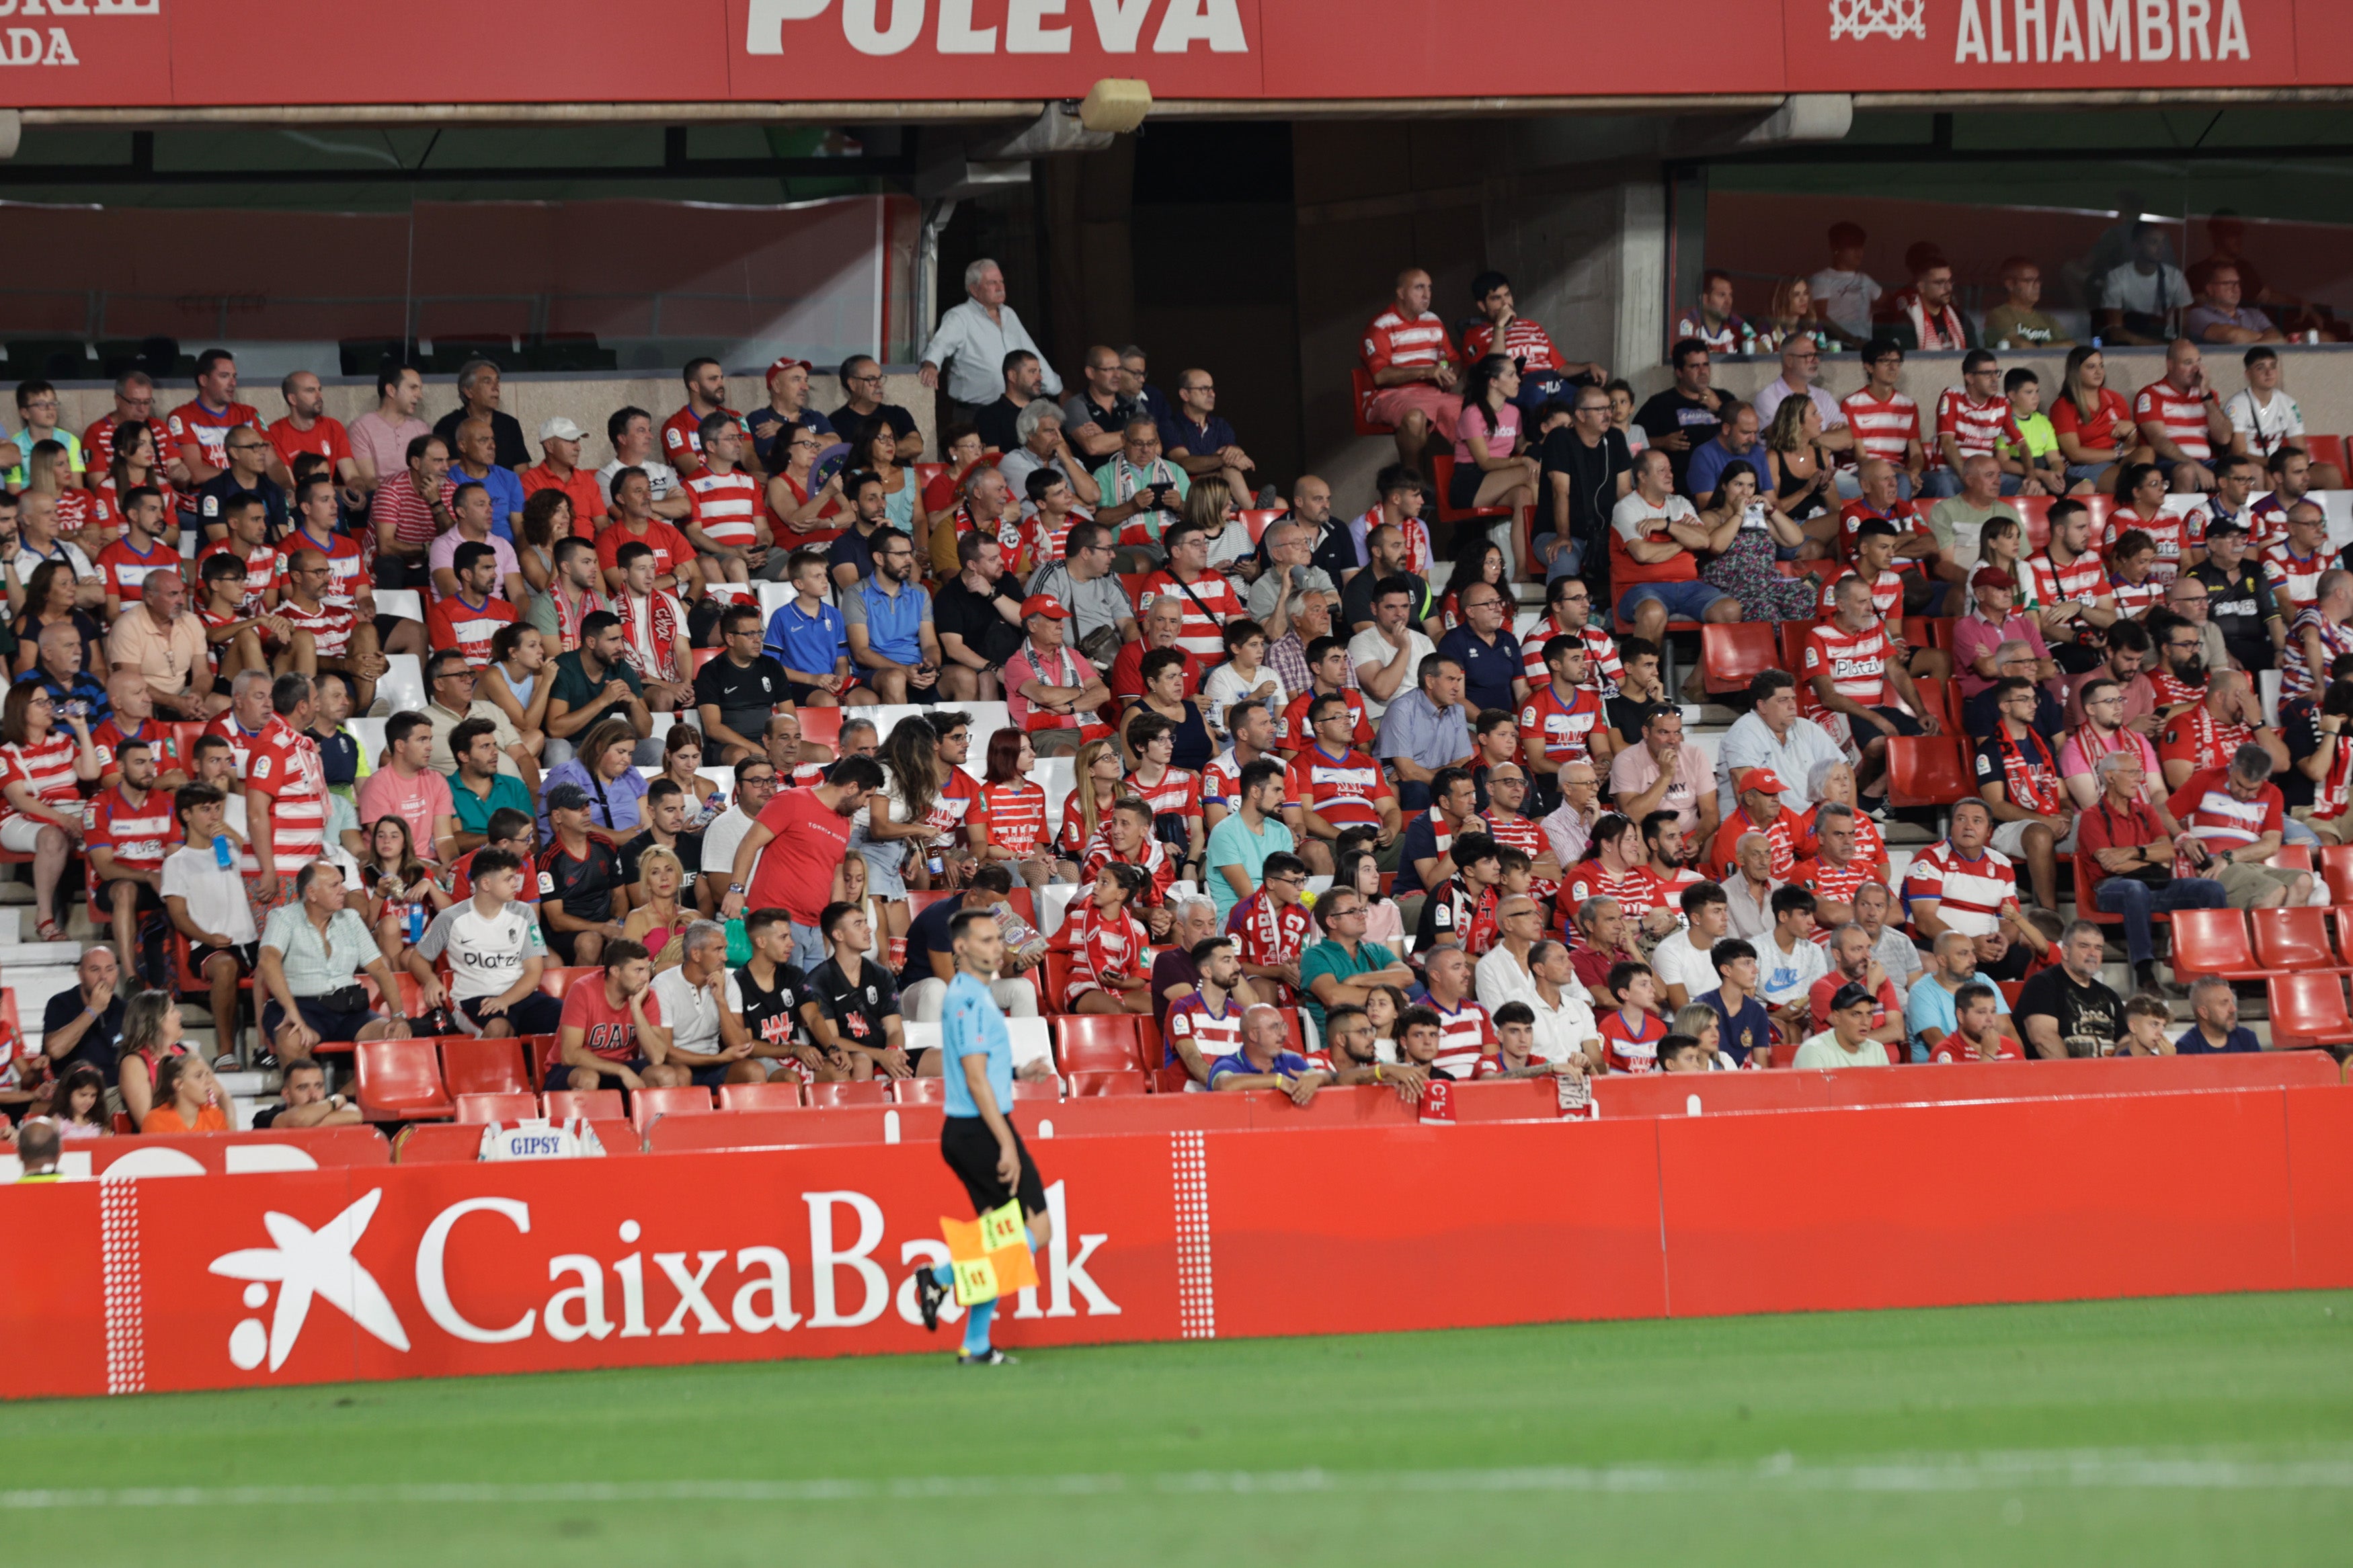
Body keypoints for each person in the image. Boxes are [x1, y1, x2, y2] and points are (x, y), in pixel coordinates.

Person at [908, 905, 1052, 1366]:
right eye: (986, 940)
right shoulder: (968, 999)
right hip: (979, 1131)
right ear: (962, 947)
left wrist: (1017, 1072)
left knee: (997, 1237)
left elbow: (978, 1068)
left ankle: (976, 1344)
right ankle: (940, 1278)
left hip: (970, 1129)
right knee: (1037, 1229)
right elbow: (973, 1078)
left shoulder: (975, 994)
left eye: (998, 939)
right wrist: (1006, 1142)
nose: (998, 947)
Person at [255, 858, 413, 1062]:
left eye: (342, 883)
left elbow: (380, 970)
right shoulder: (283, 918)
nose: (344, 891)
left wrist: (398, 1016)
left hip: (349, 1009)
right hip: (300, 1006)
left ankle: (350, 1085)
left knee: (396, 1038)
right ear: (312, 893)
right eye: (335, 885)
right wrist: (292, 1012)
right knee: (293, 1041)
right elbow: (268, 960)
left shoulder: (351, 919)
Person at [0, 680, 99, 944]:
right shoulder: (7, 753)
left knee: (108, 830)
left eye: (49, 702)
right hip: (20, 820)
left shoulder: (63, 742)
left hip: (68, 812)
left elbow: (91, 772)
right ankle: (45, 918)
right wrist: (62, 820)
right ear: (21, 710)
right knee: (52, 837)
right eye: (40, 703)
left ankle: (109, 910)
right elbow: (19, 800)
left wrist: (81, 729)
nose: (49, 707)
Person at [1611, 448, 1740, 651]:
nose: (1670, 474)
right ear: (1642, 476)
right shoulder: (1627, 507)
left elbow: (1703, 541)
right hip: (1641, 588)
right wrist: (1683, 540)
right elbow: (1643, 553)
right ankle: (1646, 671)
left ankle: (1701, 673)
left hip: (1689, 587)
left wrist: (1667, 525)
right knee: (1653, 613)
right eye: (1662, 470)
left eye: (1670, 469)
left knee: (1731, 610)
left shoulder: (1681, 503)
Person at [1972, 677, 2075, 910]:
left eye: (2034, 699)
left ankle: (2103, 899)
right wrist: (2045, 821)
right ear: (2005, 706)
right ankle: (2050, 916)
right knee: (2040, 834)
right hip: (2008, 828)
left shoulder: (2044, 746)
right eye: (2024, 699)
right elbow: (1996, 806)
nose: (2033, 705)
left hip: (2051, 818)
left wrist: (2067, 815)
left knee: (2095, 825)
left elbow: (2063, 796)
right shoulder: (1990, 750)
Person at [2129, 338, 2230, 493]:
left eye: (2198, 362)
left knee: (2242, 472)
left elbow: (2224, 438)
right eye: (2188, 363)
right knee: (2187, 472)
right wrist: (2195, 466)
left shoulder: (2208, 396)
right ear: (2170, 365)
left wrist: (2206, 395)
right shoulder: (2150, 394)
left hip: (2207, 462)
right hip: (2167, 462)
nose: (2196, 369)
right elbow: (2158, 441)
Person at [2010, 919, 2122, 1059]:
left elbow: (2126, 1040)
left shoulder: (2110, 996)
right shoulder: (2042, 985)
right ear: (2066, 952)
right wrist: (2072, 1072)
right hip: (2054, 1071)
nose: (2093, 953)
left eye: (2098, 948)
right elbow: (2044, 1039)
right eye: (2084, 946)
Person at [1905, 930, 2020, 1063]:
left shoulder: (1984, 981)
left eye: (1973, 952)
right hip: (1944, 1069)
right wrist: (1985, 1058)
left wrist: (2018, 1062)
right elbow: (1936, 1041)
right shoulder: (1922, 991)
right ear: (1943, 960)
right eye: (1964, 954)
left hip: (1988, 1062)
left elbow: (2006, 1028)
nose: (1974, 960)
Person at [1885, 249, 1975, 352]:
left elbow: (1975, 357)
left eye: (1950, 282)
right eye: (1940, 282)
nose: (1949, 288)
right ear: (1922, 287)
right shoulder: (1907, 322)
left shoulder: (1961, 319)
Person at [1790, 983, 1892, 1071]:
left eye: (1869, 1014)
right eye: (1856, 1014)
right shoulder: (1813, 1051)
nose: (1865, 1022)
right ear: (1837, 1017)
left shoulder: (1877, 1050)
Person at [1982, 255, 2073, 349]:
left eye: (2038, 280)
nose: (2037, 285)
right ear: (2010, 285)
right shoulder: (1998, 315)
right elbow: (2021, 346)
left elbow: (2071, 345)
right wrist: (2051, 346)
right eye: (2029, 280)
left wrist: (2037, 346)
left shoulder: (2047, 319)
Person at [2176, 975, 2263, 1055]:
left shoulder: (2247, 1038)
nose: (2233, 1009)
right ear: (2204, 1013)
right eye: (2224, 1003)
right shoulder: (2186, 1048)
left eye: (2232, 1001)